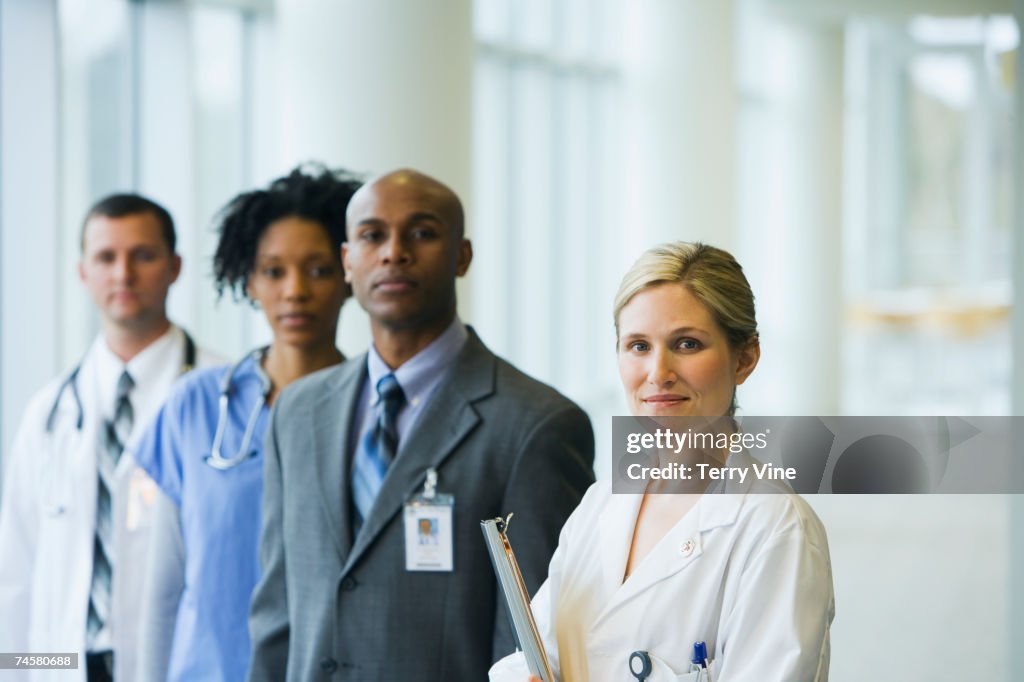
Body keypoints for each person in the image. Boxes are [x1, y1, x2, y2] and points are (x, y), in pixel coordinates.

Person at [247, 168, 596, 682]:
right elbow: (277, 614)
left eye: (422, 233)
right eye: (372, 236)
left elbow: (533, 646)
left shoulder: (536, 425)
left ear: (462, 256)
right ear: (347, 261)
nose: (394, 252)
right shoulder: (298, 413)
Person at [490, 242, 835, 682]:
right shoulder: (602, 503)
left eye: (687, 344)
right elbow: (539, 652)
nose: (658, 372)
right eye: (637, 346)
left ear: (745, 358)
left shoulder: (776, 528)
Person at [130, 166, 361, 682]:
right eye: (274, 271)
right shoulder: (195, 406)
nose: (295, 291)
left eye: (318, 269)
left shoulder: (374, 412)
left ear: (348, 274)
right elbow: (164, 587)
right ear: (249, 281)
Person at [0, 194, 221, 682]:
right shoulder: (48, 412)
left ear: (175, 267)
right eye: (105, 258)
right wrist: (19, 672)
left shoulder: (222, 393)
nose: (123, 274)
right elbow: (15, 576)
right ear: (83, 272)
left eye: (143, 256)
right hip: (64, 666)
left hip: (177, 665)